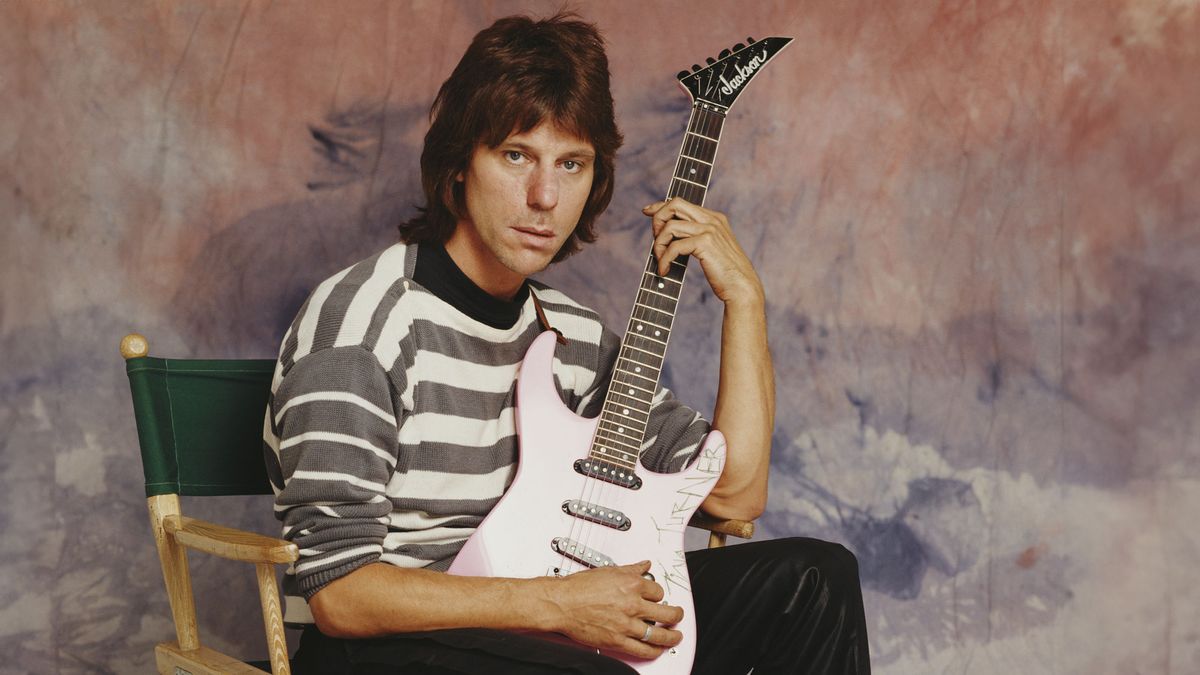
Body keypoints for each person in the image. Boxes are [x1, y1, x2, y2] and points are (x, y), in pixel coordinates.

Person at [264, 12, 870, 674]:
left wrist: (745, 303)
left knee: (815, 576)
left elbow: (734, 497)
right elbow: (342, 595)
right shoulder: (361, 323)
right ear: (460, 163)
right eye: (516, 155)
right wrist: (557, 604)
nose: (544, 195)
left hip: (548, 621)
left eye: (572, 163)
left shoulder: (571, 336)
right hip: (387, 649)